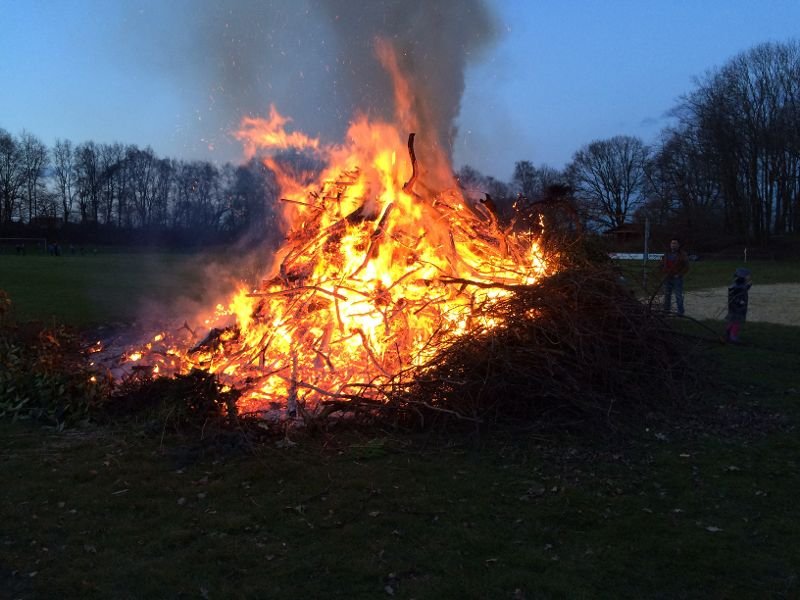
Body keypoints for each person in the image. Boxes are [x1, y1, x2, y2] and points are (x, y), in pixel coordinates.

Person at [660, 238, 690, 315]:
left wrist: (679, 274)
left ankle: (680, 312)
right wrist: (663, 271)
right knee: (667, 295)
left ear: (678, 245)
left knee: (678, 295)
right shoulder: (666, 253)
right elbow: (662, 264)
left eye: (675, 243)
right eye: (672, 243)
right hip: (667, 277)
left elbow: (686, 267)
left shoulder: (682, 254)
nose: (673, 245)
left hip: (677, 278)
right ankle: (666, 311)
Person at [725, 267, 752, 342]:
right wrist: (740, 302)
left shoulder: (737, 285)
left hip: (735, 308)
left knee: (732, 320)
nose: (748, 277)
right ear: (742, 277)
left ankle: (728, 332)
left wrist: (748, 286)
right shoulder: (737, 287)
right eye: (747, 276)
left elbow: (743, 289)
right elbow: (734, 297)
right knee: (736, 322)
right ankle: (733, 336)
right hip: (737, 308)